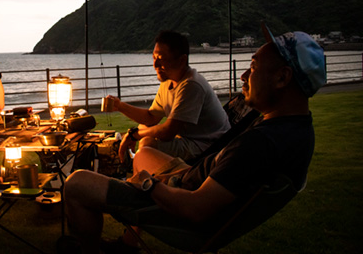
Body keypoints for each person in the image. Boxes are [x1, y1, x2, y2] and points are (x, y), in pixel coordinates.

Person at [63, 24, 325, 253]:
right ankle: (129, 243)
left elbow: (195, 209)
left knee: (76, 183)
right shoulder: (294, 131)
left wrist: (148, 184)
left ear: (282, 77)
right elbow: (154, 118)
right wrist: (122, 110)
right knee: (143, 152)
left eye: (253, 67)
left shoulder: (259, 143)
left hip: (180, 203)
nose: (244, 76)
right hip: (193, 177)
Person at [110, 30, 230, 162]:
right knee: (144, 128)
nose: (155, 65)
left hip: (209, 146)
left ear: (182, 59)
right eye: (154, 58)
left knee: (147, 143)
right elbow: (151, 118)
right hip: (190, 140)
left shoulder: (191, 85)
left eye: (160, 59)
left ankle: (146, 178)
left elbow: (168, 132)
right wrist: (120, 106)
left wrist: (135, 135)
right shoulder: (168, 81)